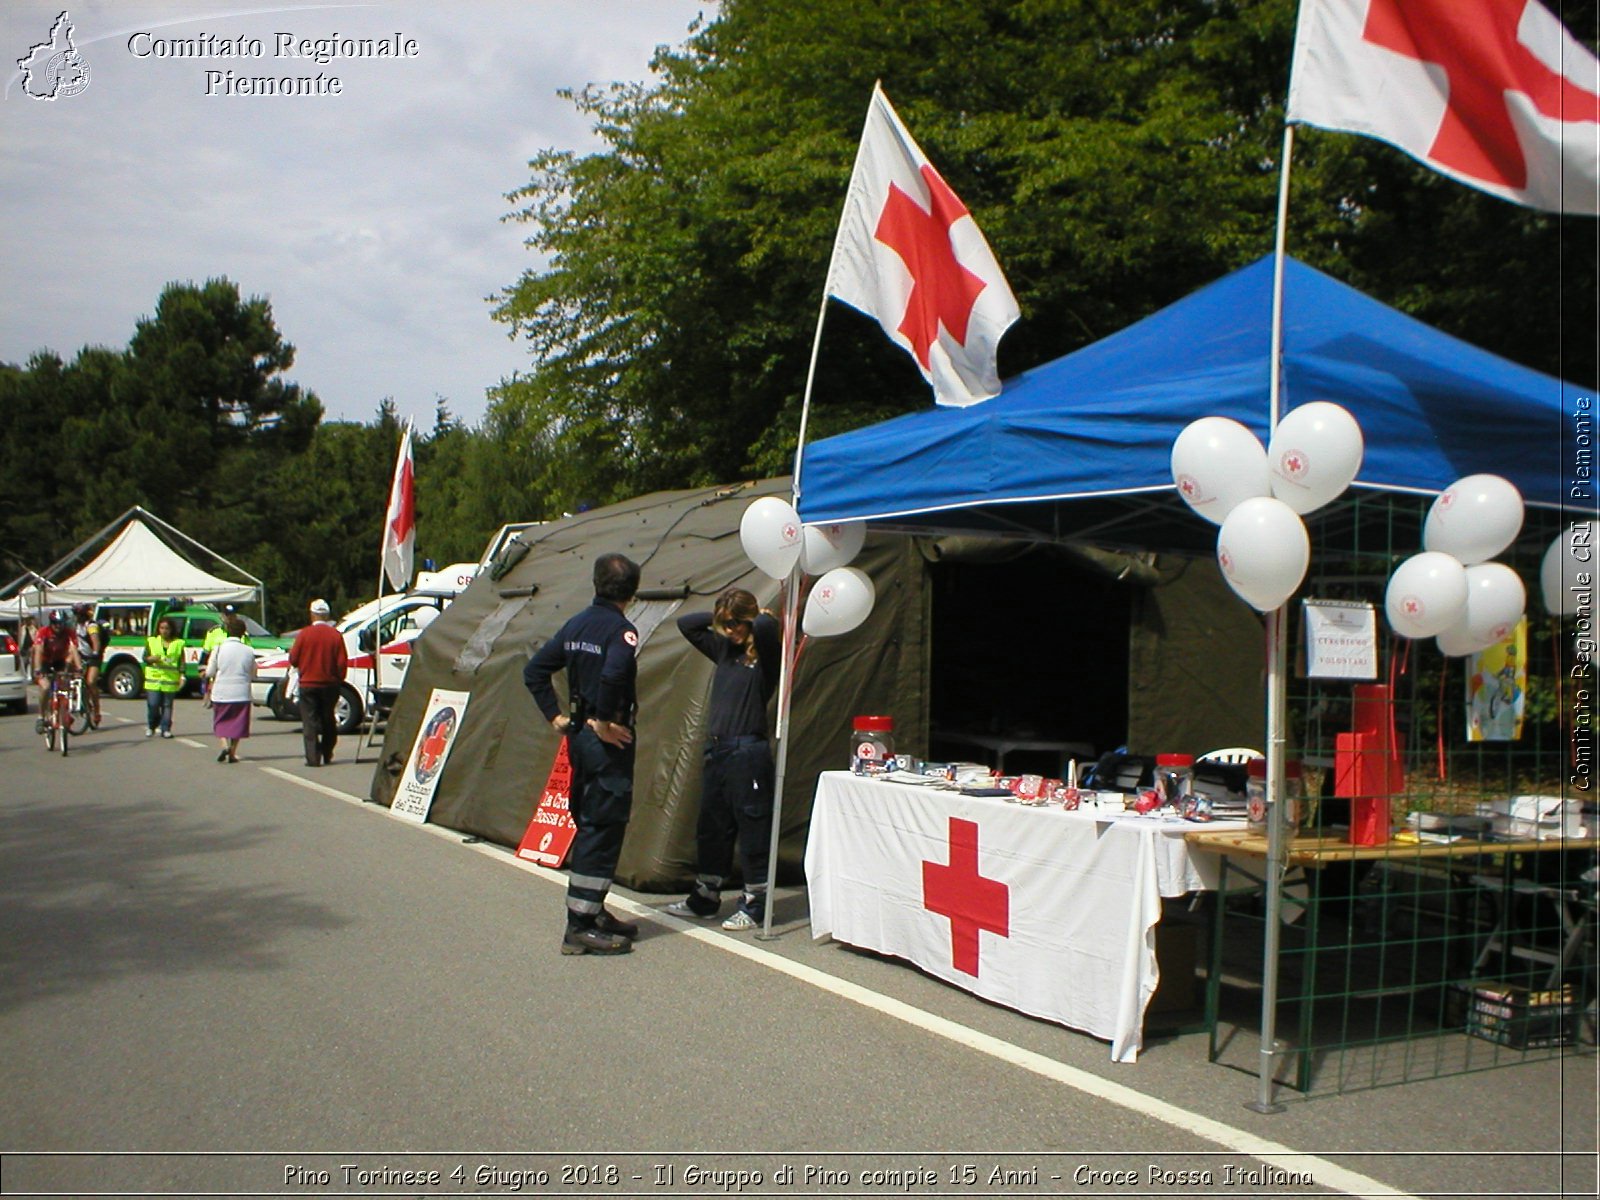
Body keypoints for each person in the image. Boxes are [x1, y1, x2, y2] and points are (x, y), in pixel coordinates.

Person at [523, 553, 643, 956]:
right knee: (603, 824)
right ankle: (579, 925)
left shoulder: (576, 624)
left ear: (596, 584)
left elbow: (535, 670)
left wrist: (556, 717)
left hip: (579, 736)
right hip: (605, 740)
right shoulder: (621, 631)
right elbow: (612, 674)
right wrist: (606, 721)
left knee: (591, 819)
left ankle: (594, 910)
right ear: (632, 591)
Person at [667, 588, 783, 930]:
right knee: (712, 826)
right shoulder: (723, 650)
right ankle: (706, 895)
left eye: (736, 623)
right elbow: (687, 624)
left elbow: (763, 627)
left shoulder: (764, 654)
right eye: (725, 624)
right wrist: (720, 617)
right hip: (718, 748)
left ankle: (756, 900)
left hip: (748, 750)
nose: (731, 630)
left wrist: (757, 615)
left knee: (752, 823)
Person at [288, 597, 348, 767]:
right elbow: (342, 662)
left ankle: (313, 757)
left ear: (312, 615)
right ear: (327, 615)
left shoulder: (304, 634)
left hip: (308, 683)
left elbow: (293, 659)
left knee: (310, 721)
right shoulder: (335, 635)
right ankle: (327, 752)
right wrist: (339, 678)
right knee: (328, 718)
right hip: (330, 684)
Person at [204, 613, 257, 763]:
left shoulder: (219, 648)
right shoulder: (248, 651)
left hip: (222, 691)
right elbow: (253, 672)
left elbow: (210, 671)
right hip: (241, 692)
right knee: (238, 723)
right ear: (243, 633)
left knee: (221, 721)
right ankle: (233, 752)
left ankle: (223, 745)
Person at [32, 609, 83, 734]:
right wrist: (38, 669)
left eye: (61, 623)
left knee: (65, 684)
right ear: (51, 623)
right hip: (45, 661)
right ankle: (41, 716)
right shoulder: (43, 632)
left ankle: (66, 709)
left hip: (59, 660)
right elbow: (38, 650)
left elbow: (73, 649)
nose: (58, 626)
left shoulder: (69, 632)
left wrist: (79, 667)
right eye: (55, 623)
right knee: (45, 687)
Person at [142, 614, 185, 738]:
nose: (164, 631)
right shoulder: (152, 641)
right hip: (153, 679)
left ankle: (166, 728)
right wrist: (151, 658)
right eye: (162, 628)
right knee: (153, 704)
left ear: (171, 629)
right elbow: (144, 657)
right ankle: (151, 725)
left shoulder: (178, 643)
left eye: (167, 628)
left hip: (170, 680)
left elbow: (181, 662)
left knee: (167, 706)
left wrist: (182, 676)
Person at [71, 602, 106, 728]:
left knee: (91, 682)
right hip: (80, 656)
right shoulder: (75, 626)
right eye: (75, 614)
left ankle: (96, 710)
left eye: (79, 614)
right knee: (74, 680)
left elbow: (95, 641)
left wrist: (96, 653)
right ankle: (79, 702)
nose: (77, 616)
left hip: (93, 657)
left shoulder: (91, 626)